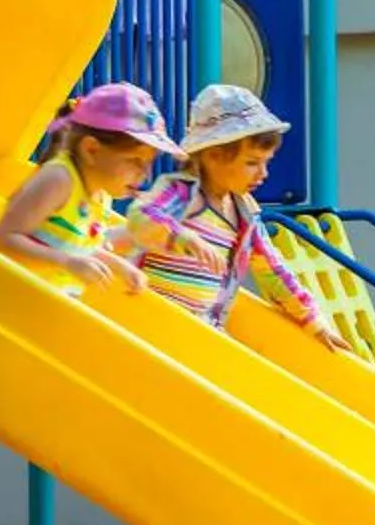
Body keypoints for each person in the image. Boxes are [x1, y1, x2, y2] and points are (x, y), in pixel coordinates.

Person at [118, 85, 347, 349]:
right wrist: (183, 237)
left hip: (198, 330)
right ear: (214, 156)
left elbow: (273, 270)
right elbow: (140, 218)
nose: (263, 174)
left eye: (266, 162)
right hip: (150, 320)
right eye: (252, 163)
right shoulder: (183, 194)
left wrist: (314, 321)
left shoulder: (244, 214)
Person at [0, 85, 172, 295]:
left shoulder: (100, 195)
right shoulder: (58, 180)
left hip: (46, 311)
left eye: (148, 163)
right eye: (135, 160)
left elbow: (77, 250)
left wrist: (120, 267)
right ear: (91, 150)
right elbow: (4, 239)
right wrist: (66, 262)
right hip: (9, 307)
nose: (145, 174)